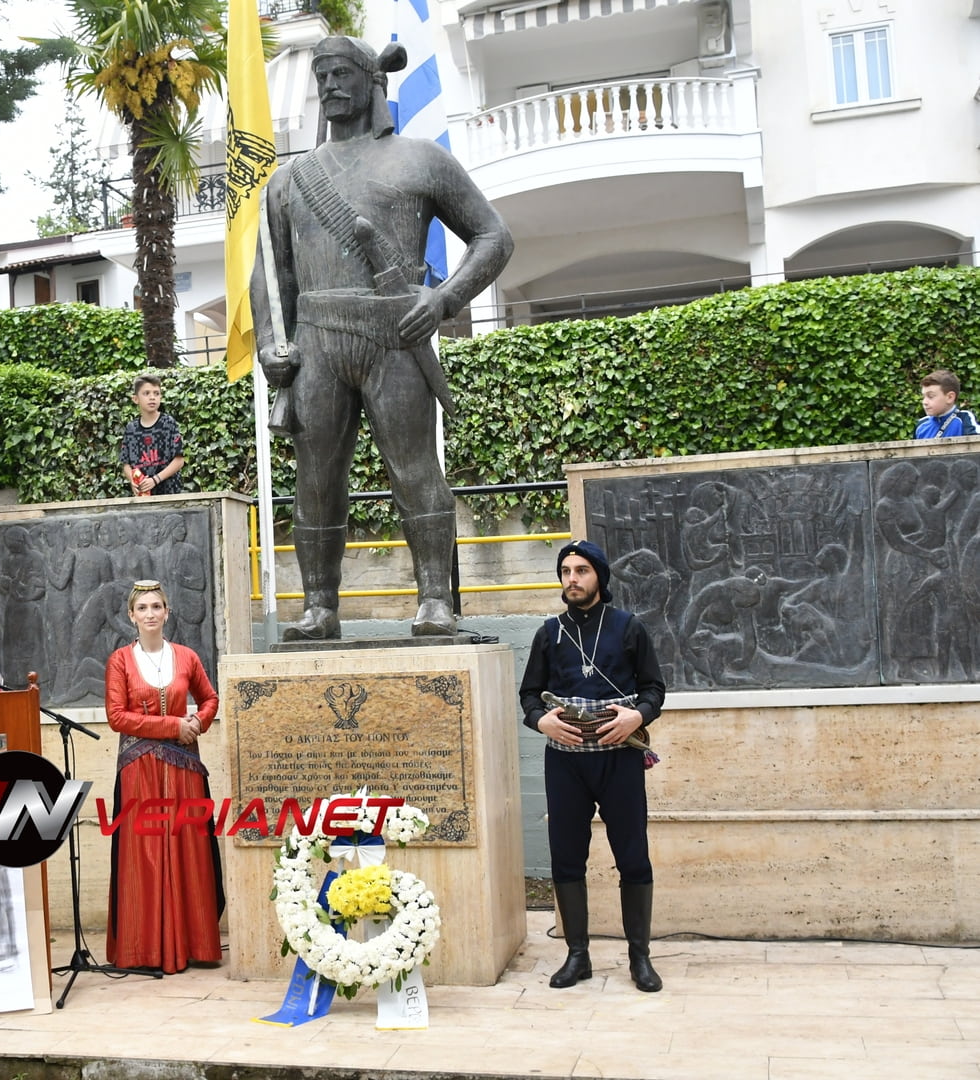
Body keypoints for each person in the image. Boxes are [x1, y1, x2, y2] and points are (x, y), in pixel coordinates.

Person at [250, 35, 512, 641]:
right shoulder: (289, 180)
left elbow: (493, 237)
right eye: (322, 77)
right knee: (315, 479)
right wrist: (269, 342)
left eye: (341, 73)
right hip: (317, 341)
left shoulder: (421, 159)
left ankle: (435, 600)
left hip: (394, 335)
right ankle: (319, 607)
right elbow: (272, 273)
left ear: (372, 80)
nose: (330, 86)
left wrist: (442, 299)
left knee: (415, 468)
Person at [518, 540, 667, 993]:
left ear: (599, 576)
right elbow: (529, 694)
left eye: (581, 571)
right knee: (566, 856)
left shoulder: (628, 627)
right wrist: (542, 721)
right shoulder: (549, 633)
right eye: (566, 571)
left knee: (633, 856)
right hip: (566, 763)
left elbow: (654, 689)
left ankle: (639, 958)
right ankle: (577, 956)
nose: (572, 579)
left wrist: (637, 716)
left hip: (619, 760)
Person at [103, 580, 222, 973]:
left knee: (189, 851)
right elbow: (117, 717)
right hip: (139, 772)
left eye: (156, 606)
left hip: (185, 770)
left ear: (167, 612)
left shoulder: (186, 657)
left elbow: (210, 699)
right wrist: (174, 725)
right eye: (143, 608)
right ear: (131, 615)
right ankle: (144, 950)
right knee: (144, 856)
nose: (150, 613)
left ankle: (193, 944)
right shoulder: (120, 661)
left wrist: (198, 722)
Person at [119, 374, 186, 496]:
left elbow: (179, 460)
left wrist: (155, 480)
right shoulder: (131, 428)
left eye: (156, 393)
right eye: (146, 393)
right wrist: (133, 481)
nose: (152, 397)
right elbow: (126, 463)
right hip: (143, 496)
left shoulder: (168, 423)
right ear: (135, 399)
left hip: (170, 494)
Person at [914, 369, 977, 439]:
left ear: (950, 397)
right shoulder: (921, 424)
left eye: (931, 396)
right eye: (923, 397)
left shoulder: (964, 418)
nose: (924, 402)